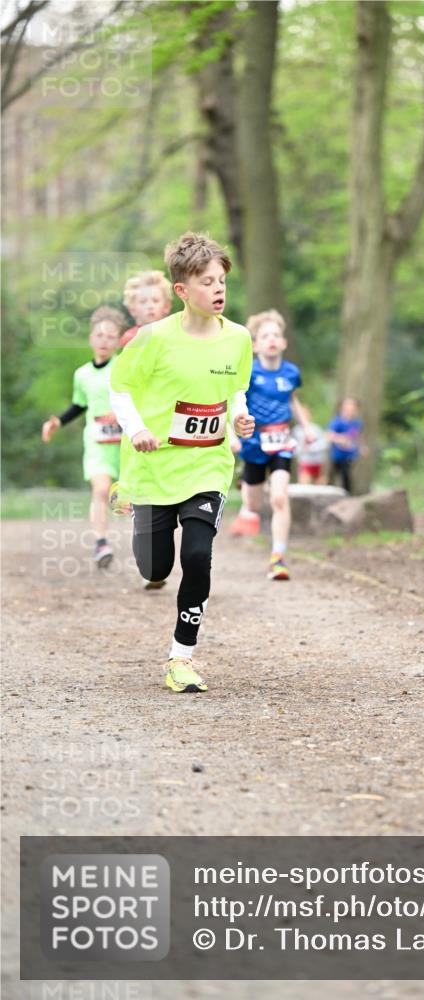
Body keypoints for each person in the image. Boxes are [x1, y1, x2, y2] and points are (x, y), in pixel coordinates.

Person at [109, 232, 254, 693]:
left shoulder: (238, 338)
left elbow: (235, 390)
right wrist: (136, 430)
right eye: (207, 282)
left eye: (222, 281)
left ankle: (181, 658)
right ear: (182, 291)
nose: (218, 289)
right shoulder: (153, 339)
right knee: (155, 568)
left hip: (207, 467)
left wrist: (241, 419)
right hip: (153, 468)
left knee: (197, 555)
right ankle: (130, 504)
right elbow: (120, 388)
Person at [228, 310, 312, 581]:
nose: (272, 340)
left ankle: (278, 557)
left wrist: (306, 427)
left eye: (276, 335)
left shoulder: (292, 373)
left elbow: (292, 401)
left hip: (281, 444)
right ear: (255, 345)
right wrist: (232, 436)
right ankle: (247, 494)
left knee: (278, 497)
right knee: (253, 505)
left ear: (284, 342)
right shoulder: (249, 371)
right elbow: (233, 403)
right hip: (253, 444)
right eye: (265, 336)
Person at [42, 306, 127, 569]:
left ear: (118, 341)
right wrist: (57, 421)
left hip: (127, 442)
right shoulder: (82, 374)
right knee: (100, 490)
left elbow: (140, 398)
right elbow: (80, 404)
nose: (104, 340)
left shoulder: (125, 367)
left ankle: (146, 545)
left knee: (129, 498)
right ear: (91, 338)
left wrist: (121, 412)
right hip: (97, 442)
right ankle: (102, 543)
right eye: (99, 335)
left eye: (111, 336)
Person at [119, 270, 172, 348]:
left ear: (166, 306)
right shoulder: (130, 338)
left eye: (155, 301)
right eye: (143, 302)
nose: (150, 306)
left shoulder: (173, 334)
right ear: (132, 309)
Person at [327, 397, 363, 494]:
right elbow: (329, 436)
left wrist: (361, 447)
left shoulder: (356, 423)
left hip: (350, 455)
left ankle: (348, 495)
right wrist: (341, 439)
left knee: (346, 476)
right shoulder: (337, 422)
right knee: (334, 476)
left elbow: (356, 437)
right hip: (338, 455)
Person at [292, 405, 329, 485]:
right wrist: (301, 449)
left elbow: (325, 444)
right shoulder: (296, 430)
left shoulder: (316, 429)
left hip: (318, 462)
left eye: (306, 414)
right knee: (304, 485)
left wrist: (311, 448)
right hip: (304, 463)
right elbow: (293, 447)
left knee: (321, 485)